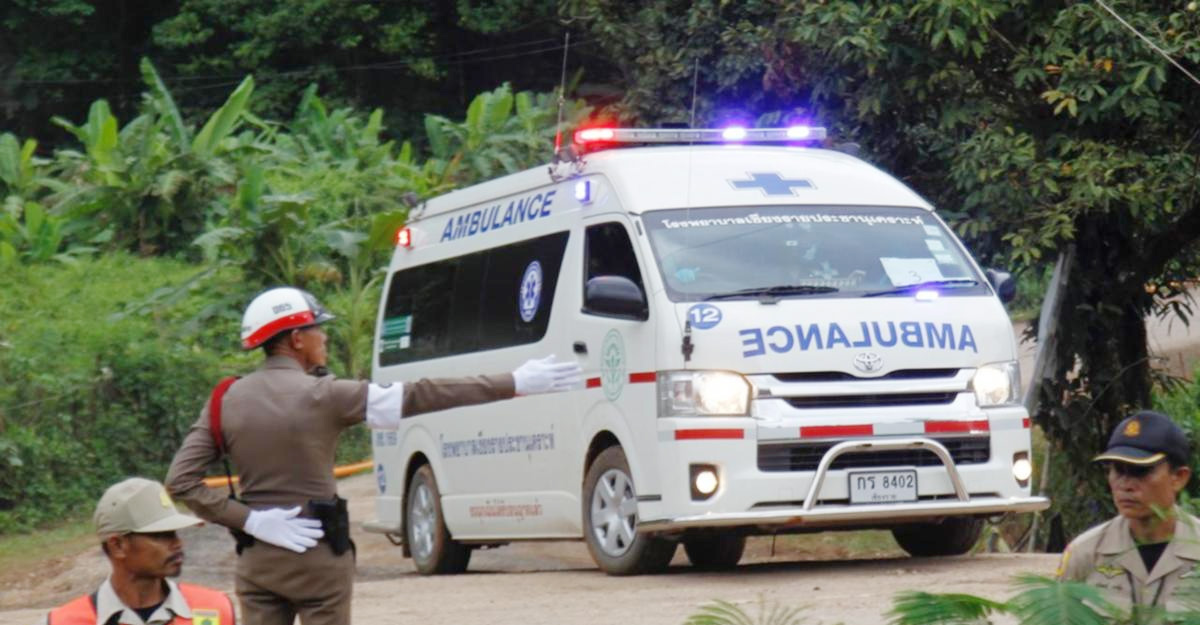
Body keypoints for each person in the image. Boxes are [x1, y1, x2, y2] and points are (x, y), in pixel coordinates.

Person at [165, 286, 580, 625]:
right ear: (296, 339)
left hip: (257, 562)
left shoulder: (226, 399)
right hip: (318, 560)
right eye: (317, 329)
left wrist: (252, 521)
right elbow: (423, 395)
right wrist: (515, 382)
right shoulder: (326, 394)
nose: (324, 337)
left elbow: (180, 481)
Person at [1056, 409, 1200, 614]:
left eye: (1140, 471)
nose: (1125, 485)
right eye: (1118, 470)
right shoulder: (1086, 553)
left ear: (1178, 477)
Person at [43, 477, 235, 625]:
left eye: (174, 533)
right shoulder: (64, 622)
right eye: (160, 535)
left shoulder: (213, 610)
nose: (177, 543)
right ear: (117, 546)